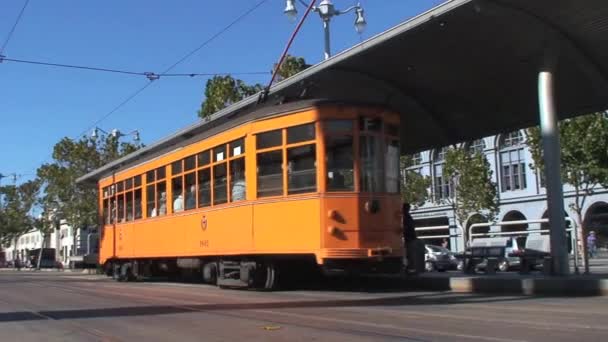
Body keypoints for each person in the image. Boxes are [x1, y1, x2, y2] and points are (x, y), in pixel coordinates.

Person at [402, 202, 424, 274]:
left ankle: (409, 268)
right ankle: (410, 268)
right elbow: (409, 227)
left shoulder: (405, 216)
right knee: (410, 254)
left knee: (409, 254)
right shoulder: (407, 216)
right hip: (410, 237)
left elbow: (407, 227)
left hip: (409, 237)